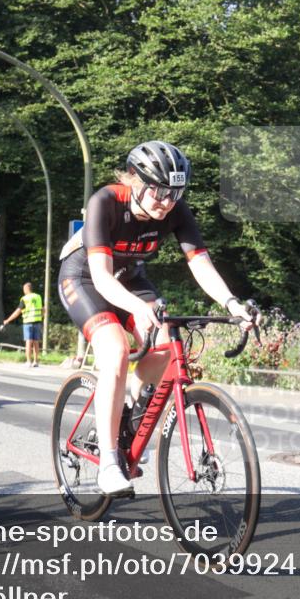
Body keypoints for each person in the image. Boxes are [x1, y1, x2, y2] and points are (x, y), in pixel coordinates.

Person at [58, 140, 260, 496]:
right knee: (115, 349)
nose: (167, 203)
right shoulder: (105, 202)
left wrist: (232, 304)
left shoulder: (175, 211)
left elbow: (199, 263)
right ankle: (107, 461)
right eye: (160, 192)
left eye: (175, 194)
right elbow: (102, 277)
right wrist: (137, 309)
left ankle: (128, 408)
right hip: (85, 278)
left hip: (131, 279)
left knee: (168, 345)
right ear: (135, 180)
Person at [1, 282, 45, 367]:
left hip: (28, 322)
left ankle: (28, 361)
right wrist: (41, 317)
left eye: (24, 289)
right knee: (36, 342)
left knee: (28, 342)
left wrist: (7, 320)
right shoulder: (38, 297)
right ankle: (36, 362)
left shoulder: (25, 298)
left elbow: (18, 311)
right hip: (37, 322)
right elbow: (43, 309)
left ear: (26, 289)